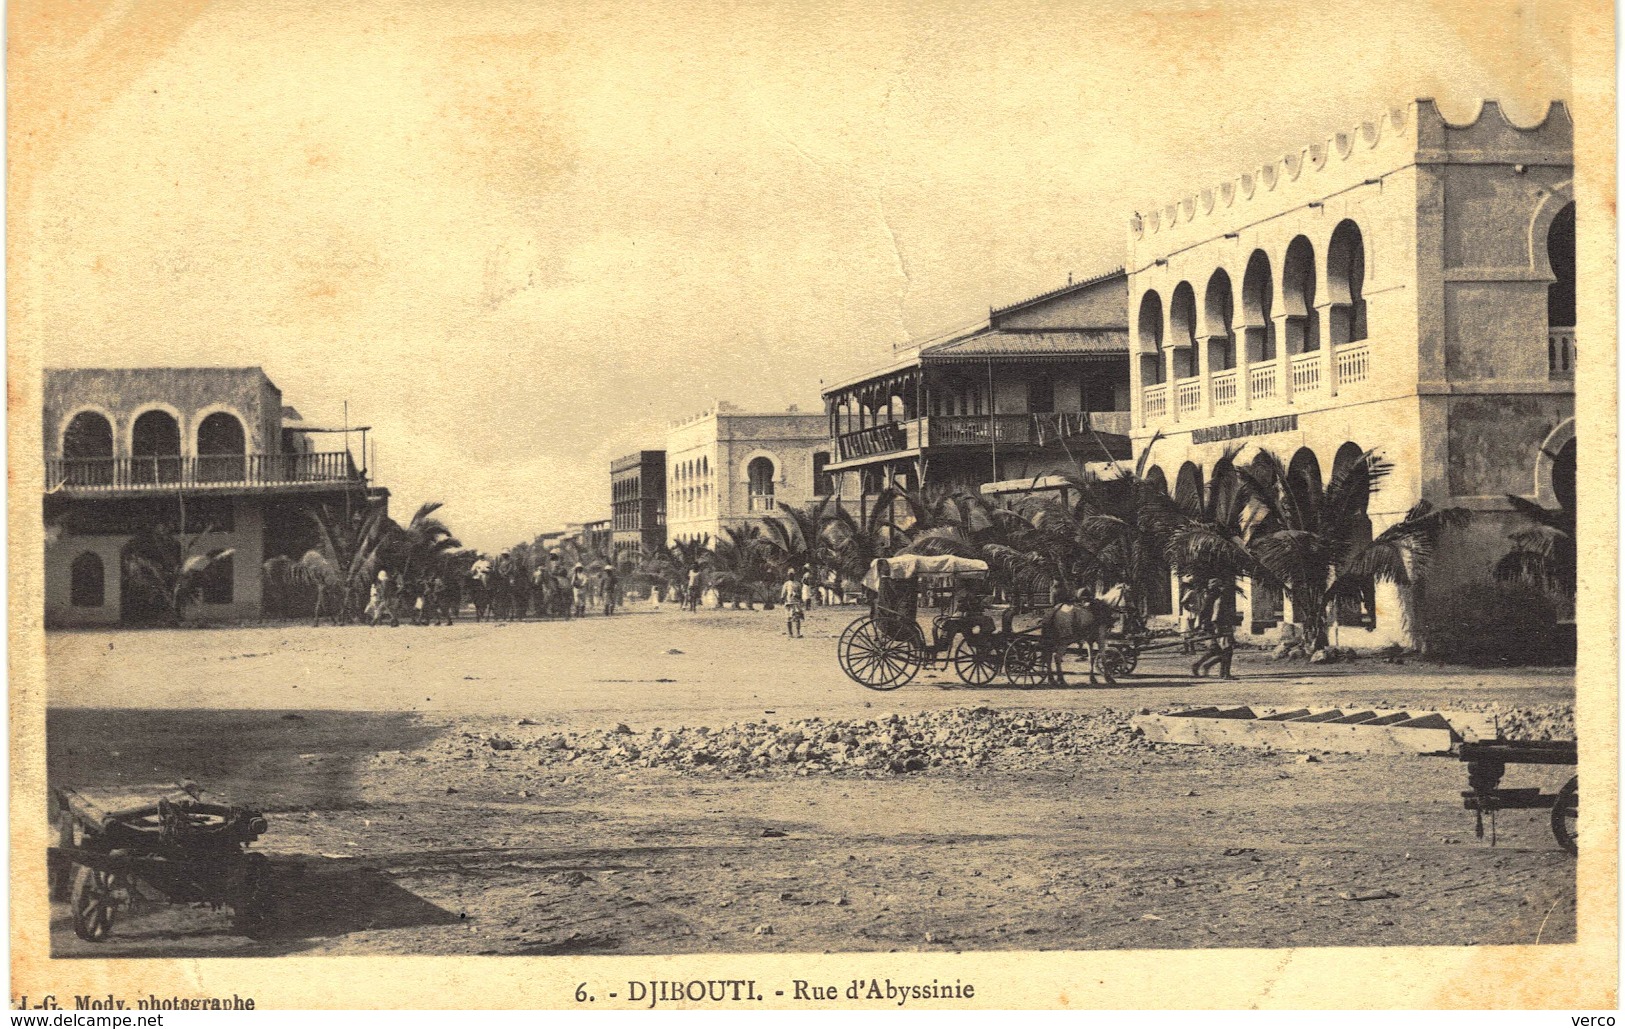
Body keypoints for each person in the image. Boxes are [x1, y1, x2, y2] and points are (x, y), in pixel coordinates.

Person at [1192, 601, 1238, 679]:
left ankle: (1201, 665)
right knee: (1227, 651)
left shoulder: (1217, 598)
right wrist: (1218, 629)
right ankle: (1224, 674)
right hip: (1220, 628)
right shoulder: (1220, 601)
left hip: (1215, 627)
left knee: (1215, 650)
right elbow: (1215, 617)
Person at [782, 571, 805, 637]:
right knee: (788, 618)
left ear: (794, 575)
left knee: (797, 618)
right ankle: (790, 633)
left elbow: (800, 593)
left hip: (796, 602)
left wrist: (799, 598)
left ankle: (798, 633)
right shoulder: (786, 584)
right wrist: (783, 599)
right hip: (789, 603)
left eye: (792, 575)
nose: (790, 576)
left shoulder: (797, 584)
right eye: (789, 575)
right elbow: (783, 593)